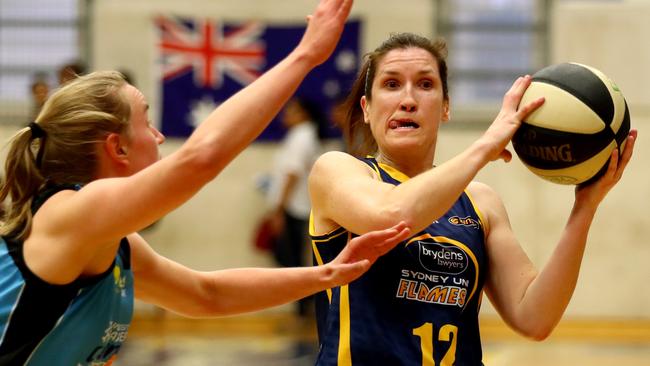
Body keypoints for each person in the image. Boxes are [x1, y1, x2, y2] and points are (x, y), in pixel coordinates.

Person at [0, 1, 413, 365]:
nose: (159, 136)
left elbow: (206, 294)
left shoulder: (114, 244)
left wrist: (329, 273)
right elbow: (200, 159)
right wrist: (306, 55)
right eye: (146, 120)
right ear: (117, 148)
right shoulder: (71, 213)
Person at [307, 32, 637, 365]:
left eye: (425, 85)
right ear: (367, 108)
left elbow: (535, 318)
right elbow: (391, 214)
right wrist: (485, 145)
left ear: (446, 107)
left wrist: (585, 207)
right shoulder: (339, 171)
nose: (407, 99)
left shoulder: (480, 202)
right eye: (391, 85)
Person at [264, 97, 326, 317]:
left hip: (296, 207)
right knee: (291, 258)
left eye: (292, 111)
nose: (286, 115)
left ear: (303, 114)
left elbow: (293, 173)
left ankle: (305, 307)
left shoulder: (302, 137)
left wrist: (280, 208)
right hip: (294, 206)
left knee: (292, 260)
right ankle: (304, 305)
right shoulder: (299, 136)